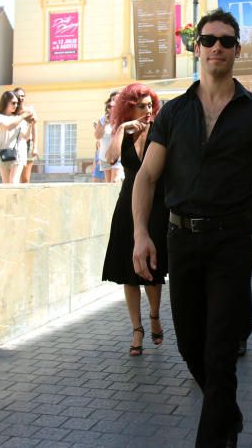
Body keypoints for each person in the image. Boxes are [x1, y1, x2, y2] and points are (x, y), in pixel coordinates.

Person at [131, 9, 252, 448]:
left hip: (231, 242)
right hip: (180, 240)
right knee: (189, 346)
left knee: (220, 353)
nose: (217, 47)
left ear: (238, 50)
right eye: (209, 40)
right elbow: (146, 177)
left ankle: (216, 437)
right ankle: (228, 414)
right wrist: (141, 235)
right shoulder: (175, 113)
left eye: (226, 41)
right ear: (196, 47)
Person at [101, 83, 167, 357]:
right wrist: (119, 130)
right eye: (141, 106)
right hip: (127, 205)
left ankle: (153, 316)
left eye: (150, 105)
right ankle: (137, 330)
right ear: (129, 108)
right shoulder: (124, 133)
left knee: (151, 270)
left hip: (157, 204)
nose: (148, 110)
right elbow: (110, 158)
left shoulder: (160, 131)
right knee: (128, 272)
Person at [0, 90, 34, 184]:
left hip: (18, 152)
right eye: (13, 103)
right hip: (2, 152)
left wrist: (31, 125)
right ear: (5, 102)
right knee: (6, 184)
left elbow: (26, 137)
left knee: (14, 182)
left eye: (17, 103)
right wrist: (24, 115)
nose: (16, 105)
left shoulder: (19, 119)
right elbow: (8, 126)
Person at [92, 92, 118, 183]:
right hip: (104, 156)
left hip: (118, 156)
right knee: (108, 184)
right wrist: (106, 123)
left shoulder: (123, 118)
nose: (114, 103)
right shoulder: (103, 119)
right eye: (113, 100)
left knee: (115, 181)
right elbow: (97, 136)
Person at [13, 87, 37, 183]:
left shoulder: (30, 111)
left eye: (23, 96)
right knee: (15, 177)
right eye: (18, 96)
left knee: (25, 178)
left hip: (27, 144)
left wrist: (35, 147)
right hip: (15, 145)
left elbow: (35, 129)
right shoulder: (12, 112)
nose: (21, 98)